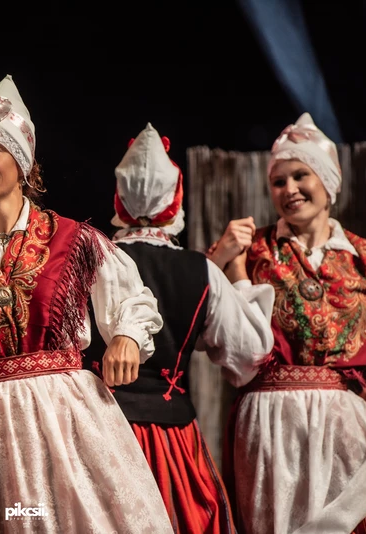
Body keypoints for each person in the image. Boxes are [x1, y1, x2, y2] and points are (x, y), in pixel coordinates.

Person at [0, 75, 173, 533]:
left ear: (21, 161)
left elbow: (133, 299)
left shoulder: (73, 239)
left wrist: (125, 337)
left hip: (67, 418)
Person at [209, 112, 366, 533]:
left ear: (326, 182)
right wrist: (218, 260)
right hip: (269, 424)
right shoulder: (252, 251)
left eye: (300, 175)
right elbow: (199, 308)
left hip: (339, 421)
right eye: (278, 181)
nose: (289, 189)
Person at [84, 122, 275, 533]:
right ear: (176, 203)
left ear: (120, 201)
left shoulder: (90, 262)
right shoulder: (200, 271)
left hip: (101, 434)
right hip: (173, 441)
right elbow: (251, 354)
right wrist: (236, 271)